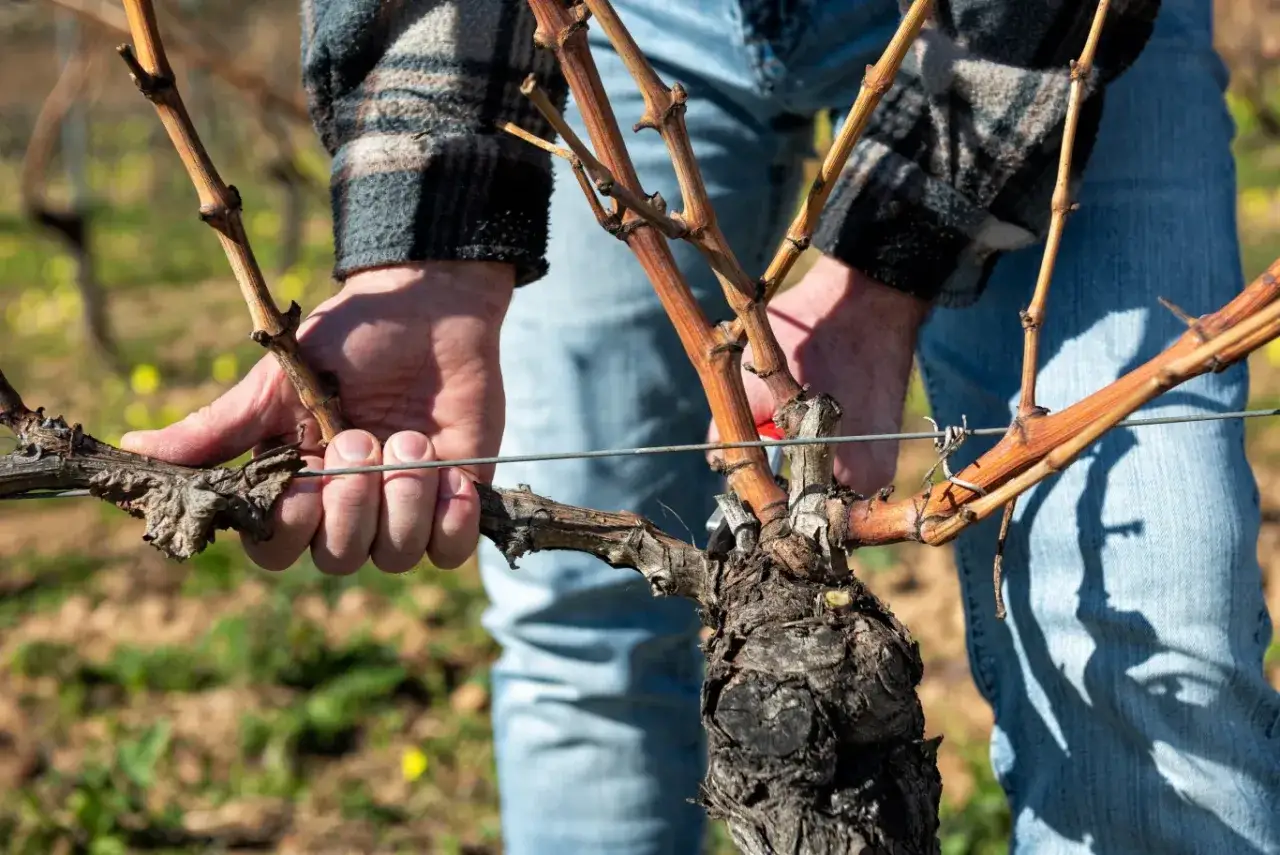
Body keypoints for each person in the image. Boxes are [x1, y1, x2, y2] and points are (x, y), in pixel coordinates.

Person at [123, 0, 1280, 852]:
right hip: (616, 23)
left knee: (1151, 630)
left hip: (1038, 37)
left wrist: (879, 279)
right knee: (585, 631)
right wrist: (426, 245)